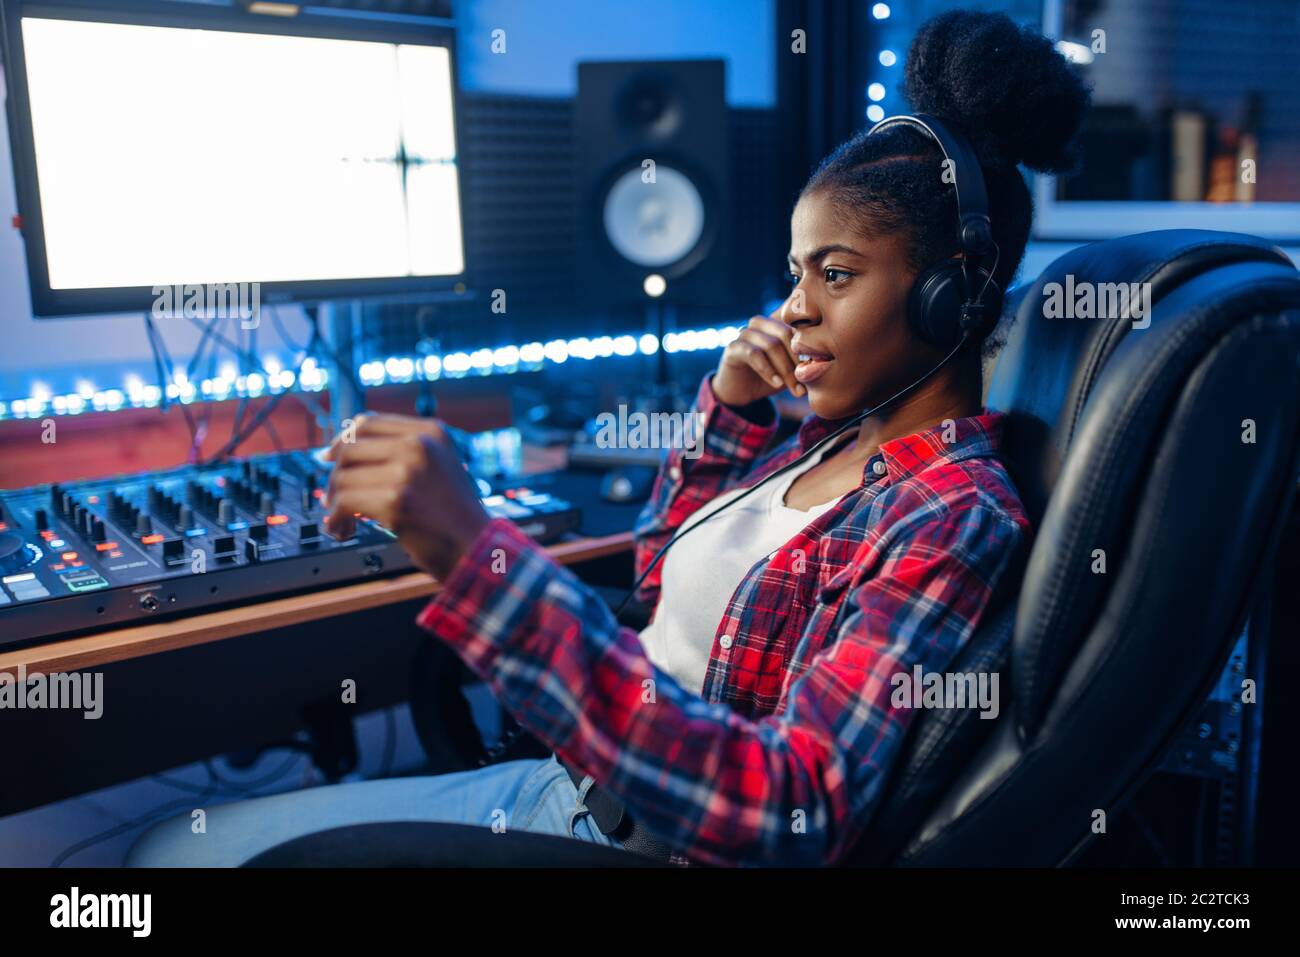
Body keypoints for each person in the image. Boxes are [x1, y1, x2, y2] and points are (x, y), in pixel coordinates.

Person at [128, 9, 1090, 868]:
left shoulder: (952, 514)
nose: (794, 311)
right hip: (568, 787)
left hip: (639, 837)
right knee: (168, 841)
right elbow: (658, 574)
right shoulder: (829, 440)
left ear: (950, 293)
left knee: (176, 860)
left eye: (834, 275)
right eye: (795, 274)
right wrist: (728, 405)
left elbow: (795, 807)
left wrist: (480, 559)